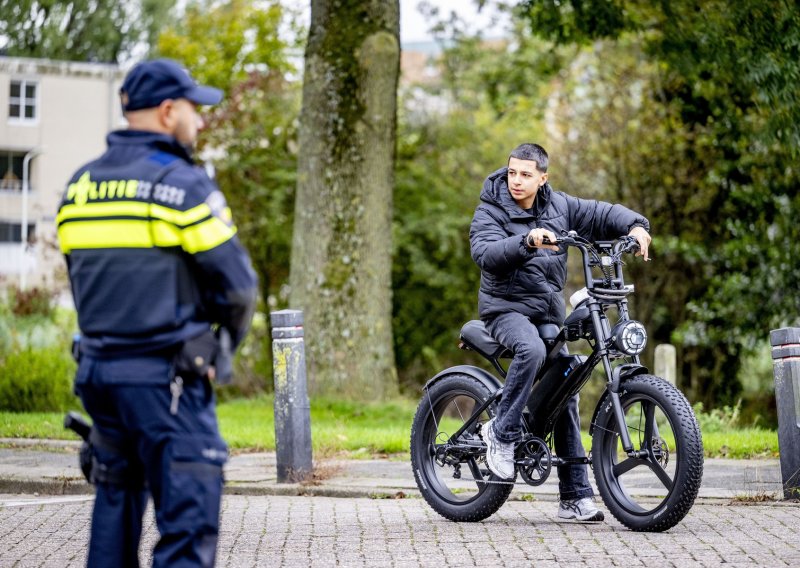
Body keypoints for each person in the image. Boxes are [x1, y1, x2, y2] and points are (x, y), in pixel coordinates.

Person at [56, 59, 258, 567]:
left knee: (113, 512)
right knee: (187, 530)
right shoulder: (183, 188)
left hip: (100, 380)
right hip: (166, 384)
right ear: (169, 112)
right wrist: (219, 349)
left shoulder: (79, 188)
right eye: (195, 109)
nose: (201, 121)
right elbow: (237, 288)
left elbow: (86, 283)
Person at [469, 143, 650, 522]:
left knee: (566, 383)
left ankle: (574, 496)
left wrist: (637, 226)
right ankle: (500, 435)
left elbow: (601, 213)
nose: (516, 181)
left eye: (525, 174)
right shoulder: (491, 208)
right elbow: (485, 253)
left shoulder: (560, 206)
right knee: (532, 351)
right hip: (504, 310)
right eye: (512, 172)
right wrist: (527, 240)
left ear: (542, 178)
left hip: (547, 312)